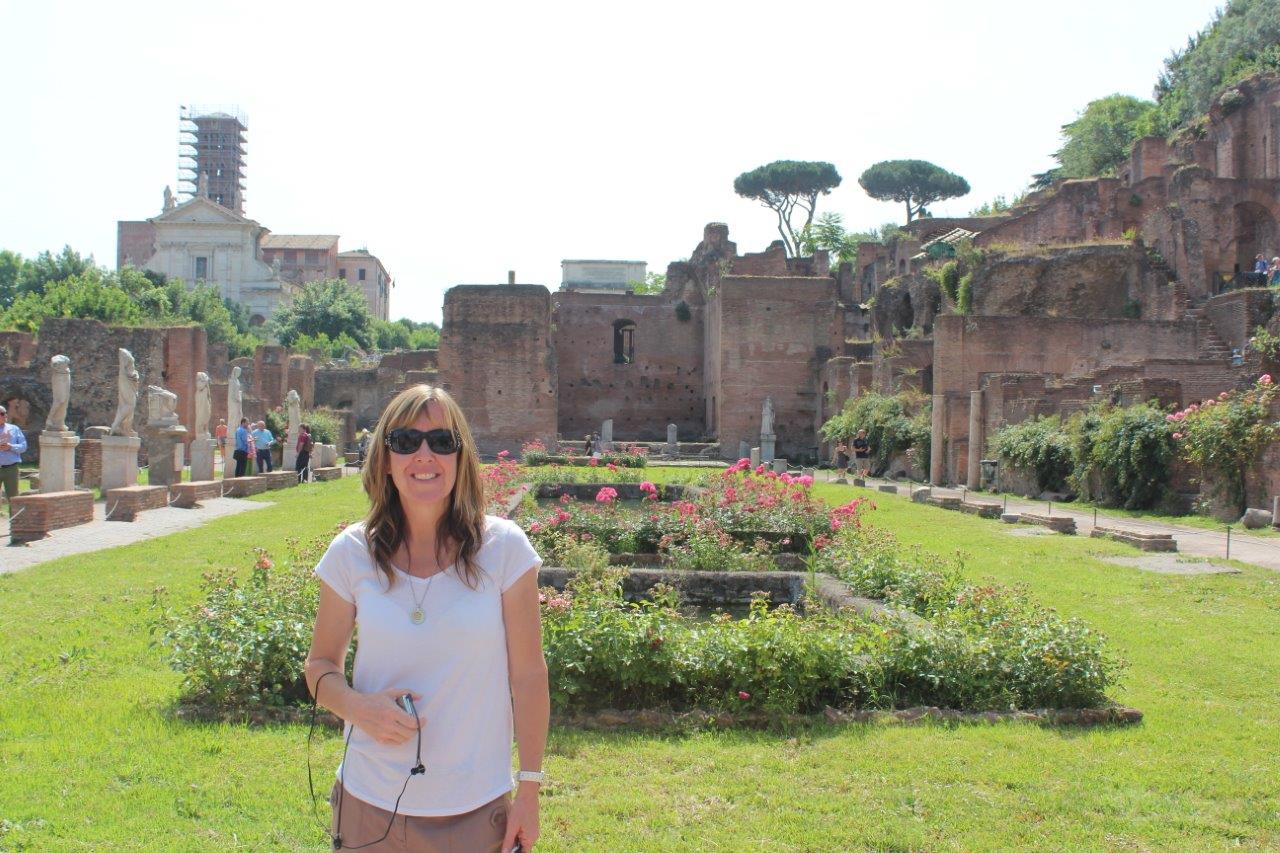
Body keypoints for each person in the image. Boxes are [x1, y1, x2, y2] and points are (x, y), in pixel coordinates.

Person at [305, 384, 548, 853]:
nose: (424, 455)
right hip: (370, 803)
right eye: (405, 442)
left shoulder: (504, 549)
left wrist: (531, 787)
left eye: (441, 441)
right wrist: (358, 707)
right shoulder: (352, 554)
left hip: (476, 808)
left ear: (461, 457)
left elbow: (529, 675)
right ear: (385, 458)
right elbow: (319, 667)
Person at [0, 404, 28, 516]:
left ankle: (15, 526)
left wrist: (10, 447)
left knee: (13, 498)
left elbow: (23, 447)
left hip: (11, 468)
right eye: (2, 414)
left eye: (5, 413)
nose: (4, 415)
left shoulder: (14, 429)